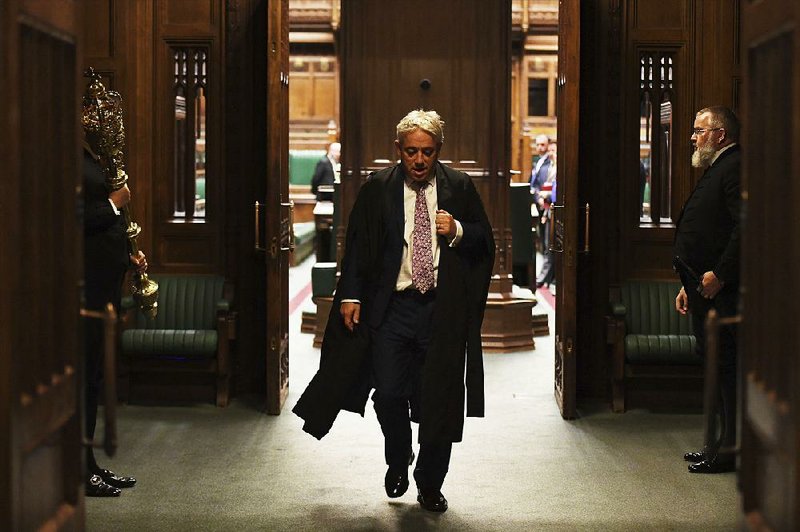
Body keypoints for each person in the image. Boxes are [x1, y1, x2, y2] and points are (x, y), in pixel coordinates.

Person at [293, 110, 494, 512]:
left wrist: (456, 231)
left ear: (439, 151)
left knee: (439, 403)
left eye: (428, 152)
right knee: (387, 394)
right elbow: (356, 247)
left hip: (441, 311)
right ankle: (399, 457)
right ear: (398, 150)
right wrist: (350, 293)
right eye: (411, 152)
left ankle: (430, 484)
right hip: (393, 309)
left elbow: (484, 242)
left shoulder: (460, 187)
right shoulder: (378, 189)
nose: (419, 161)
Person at [673, 106, 741, 474]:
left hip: (721, 292)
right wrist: (687, 284)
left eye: (699, 130)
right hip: (701, 288)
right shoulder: (719, 166)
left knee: (726, 370)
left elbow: (745, 227)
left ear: (720, 134)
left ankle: (729, 450)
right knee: (715, 369)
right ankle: (715, 445)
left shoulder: (735, 165)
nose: (693, 137)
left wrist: (722, 274)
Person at [83, 139, 147, 496]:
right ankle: (79, 468)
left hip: (105, 286)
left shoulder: (93, 155)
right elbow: (71, 217)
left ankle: (88, 464)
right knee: (84, 380)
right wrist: (113, 203)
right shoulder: (61, 156)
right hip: (84, 289)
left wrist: (129, 256)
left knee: (94, 379)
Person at [536, 141, 557, 288]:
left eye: (553, 151)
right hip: (548, 210)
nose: (551, 154)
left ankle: (545, 278)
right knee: (546, 245)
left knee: (551, 246)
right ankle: (548, 278)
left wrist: (547, 195)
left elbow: (556, 193)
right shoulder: (550, 168)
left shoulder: (559, 169)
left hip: (555, 211)